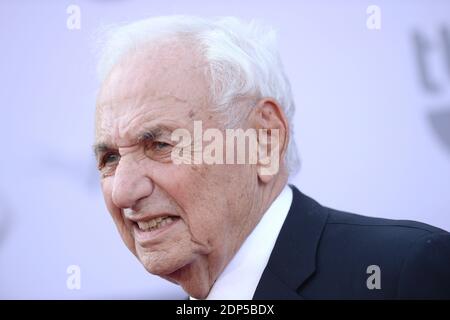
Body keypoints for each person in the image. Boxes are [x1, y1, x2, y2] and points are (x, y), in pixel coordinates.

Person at [93, 15, 450, 299]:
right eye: (109, 157)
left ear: (263, 141)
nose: (122, 191)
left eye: (160, 145)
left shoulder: (404, 274)